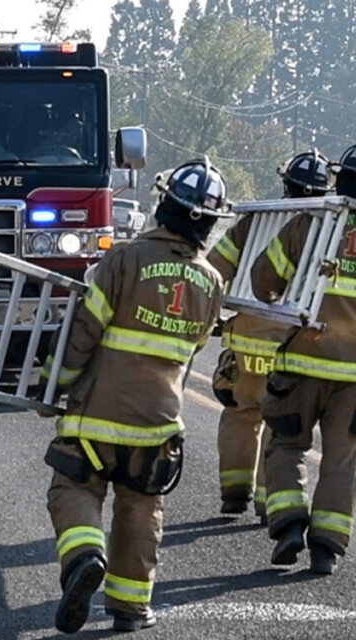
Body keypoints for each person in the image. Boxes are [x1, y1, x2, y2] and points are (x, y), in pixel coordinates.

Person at [42, 159, 229, 633]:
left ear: (165, 205)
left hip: (97, 412)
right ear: (208, 222)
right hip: (159, 421)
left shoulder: (125, 258)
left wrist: (56, 380)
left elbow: (85, 328)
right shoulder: (212, 282)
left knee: (75, 486)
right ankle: (130, 606)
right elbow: (195, 347)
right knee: (141, 506)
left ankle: (85, 556)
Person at [251, 142, 356, 575]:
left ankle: (288, 522)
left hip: (299, 364)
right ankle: (326, 547)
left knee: (287, 445)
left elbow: (262, 281)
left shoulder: (307, 227)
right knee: (342, 458)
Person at [208, 151, 334, 523]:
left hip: (247, 336)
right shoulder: (327, 230)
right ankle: (268, 502)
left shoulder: (255, 222)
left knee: (239, 412)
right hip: (295, 344)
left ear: (286, 184)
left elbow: (216, 269)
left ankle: (234, 493)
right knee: (279, 422)